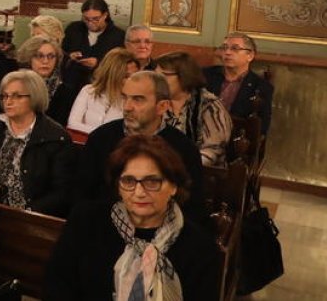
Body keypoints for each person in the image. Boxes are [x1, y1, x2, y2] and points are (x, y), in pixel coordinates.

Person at [45, 136, 219, 301]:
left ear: (173, 186)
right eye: (128, 181)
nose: (139, 192)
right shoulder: (86, 221)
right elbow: (57, 287)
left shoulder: (200, 249)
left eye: (152, 182)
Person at [76, 71, 206, 218]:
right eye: (125, 98)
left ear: (162, 106)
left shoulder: (183, 148)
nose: (127, 107)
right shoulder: (101, 138)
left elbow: (193, 208)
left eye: (138, 100)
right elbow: (82, 197)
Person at [0, 70, 74, 217]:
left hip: (29, 217)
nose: (8, 102)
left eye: (17, 96)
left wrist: (27, 212)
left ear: (34, 97)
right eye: (5, 96)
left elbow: (61, 193)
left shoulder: (56, 138)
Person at [158, 51, 232, 167]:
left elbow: (213, 150)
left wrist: (182, 167)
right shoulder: (157, 102)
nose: (158, 82)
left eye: (163, 76)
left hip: (201, 170)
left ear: (183, 76)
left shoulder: (209, 105)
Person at [204, 32, 273, 134]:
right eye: (224, 48)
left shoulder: (260, 86)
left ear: (250, 56)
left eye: (235, 48)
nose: (227, 52)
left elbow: (261, 128)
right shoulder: (206, 75)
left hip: (235, 137)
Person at [68, 47, 134, 135]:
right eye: (126, 76)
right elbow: (72, 124)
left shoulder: (131, 102)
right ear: (112, 74)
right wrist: (102, 134)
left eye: (133, 76)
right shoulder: (88, 91)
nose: (131, 81)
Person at [61, 0, 126, 86]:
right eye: (86, 19)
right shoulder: (73, 29)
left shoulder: (118, 36)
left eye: (96, 19)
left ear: (105, 15)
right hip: (71, 83)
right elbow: (61, 53)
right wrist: (70, 56)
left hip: (101, 85)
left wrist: (98, 63)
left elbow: (120, 65)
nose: (90, 23)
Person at [15, 35, 77, 127]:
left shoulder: (65, 92)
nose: (45, 61)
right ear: (28, 58)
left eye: (51, 56)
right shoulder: (14, 84)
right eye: (39, 56)